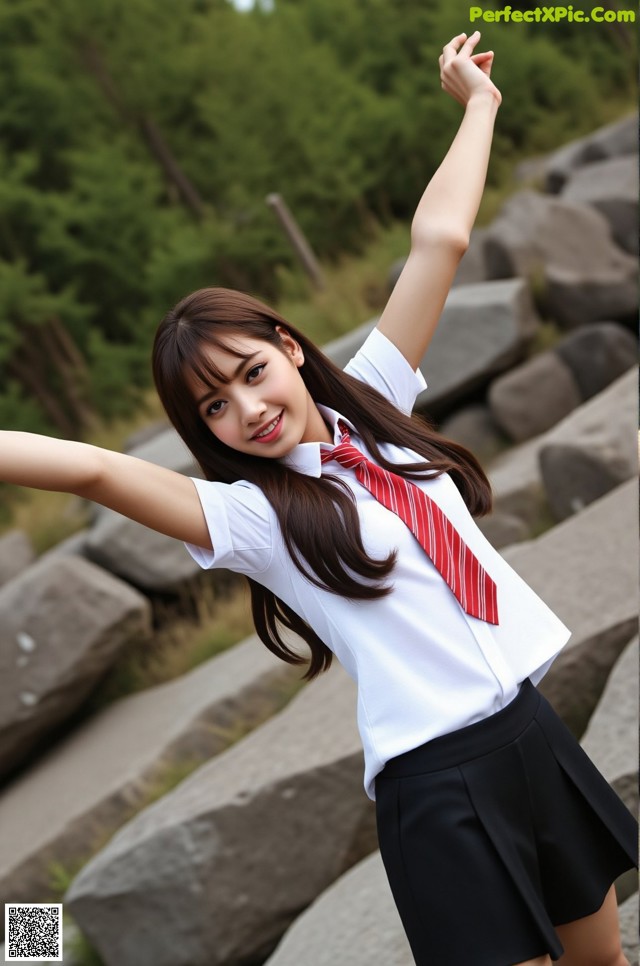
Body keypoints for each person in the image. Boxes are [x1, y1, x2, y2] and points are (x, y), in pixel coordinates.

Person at [0, 32, 636, 966]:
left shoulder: (378, 402)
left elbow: (442, 239)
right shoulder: (250, 521)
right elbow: (91, 468)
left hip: (532, 734)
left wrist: (481, 109)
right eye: (214, 406)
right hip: (439, 787)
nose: (247, 410)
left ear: (289, 347)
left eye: (253, 373)